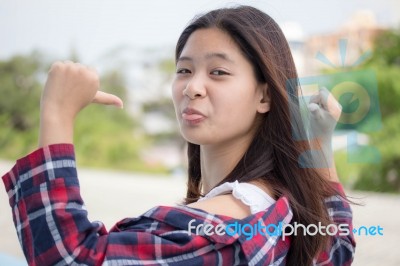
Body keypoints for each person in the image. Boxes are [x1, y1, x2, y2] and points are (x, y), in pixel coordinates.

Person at [2, 5, 355, 266]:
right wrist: (317, 146)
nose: (192, 87)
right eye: (184, 70)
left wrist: (57, 113)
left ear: (265, 95)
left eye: (218, 72)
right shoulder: (284, 212)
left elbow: (72, 259)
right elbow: (337, 251)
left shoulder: (226, 228)